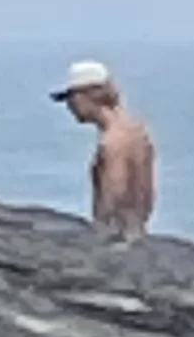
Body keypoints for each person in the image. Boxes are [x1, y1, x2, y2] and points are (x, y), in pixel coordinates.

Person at [51, 59, 156, 242]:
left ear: (86, 96)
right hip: (139, 234)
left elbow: (113, 199)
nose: (69, 106)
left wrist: (101, 238)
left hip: (119, 242)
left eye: (71, 98)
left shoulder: (111, 143)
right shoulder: (138, 133)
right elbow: (147, 195)